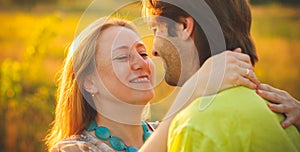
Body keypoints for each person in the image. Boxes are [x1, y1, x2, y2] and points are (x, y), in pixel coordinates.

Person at [140, 0, 300, 152]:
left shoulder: (196, 125)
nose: (153, 51)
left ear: (183, 26)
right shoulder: (284, 114)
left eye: (156, 29)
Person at [46, 18, 259, 151]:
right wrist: (194, 90)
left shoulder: (176, 131)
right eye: (122, 57)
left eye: (142, 53)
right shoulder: (72, 149)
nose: (142, 63)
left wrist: (289, 113)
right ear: (90, 82)